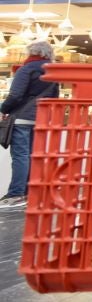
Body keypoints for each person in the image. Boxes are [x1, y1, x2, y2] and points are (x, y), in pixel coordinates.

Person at [0, 40, 59, 208]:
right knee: (33, 155)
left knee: (20, 156)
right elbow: (54, 98)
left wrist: (3, 108)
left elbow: (16, 95)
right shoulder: (53, 72)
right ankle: (28, 192)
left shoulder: (26, 69)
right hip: (41, 119)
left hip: (22, 118)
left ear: (32, 52)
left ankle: (16, 193)